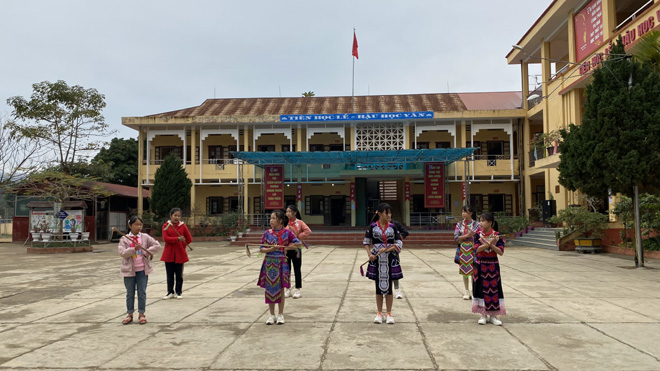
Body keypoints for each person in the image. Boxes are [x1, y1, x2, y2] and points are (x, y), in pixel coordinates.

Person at [257, 210, 301, 325]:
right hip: (269, 263)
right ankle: (271, 315)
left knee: (281, 289)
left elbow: (298, 243)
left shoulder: (287, 233)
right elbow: (261, 249)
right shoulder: (267, 233)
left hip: (281, 263)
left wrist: (289, 247)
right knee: (270, 289)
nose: (271, 220)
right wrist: (271, 249)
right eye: (270, 218)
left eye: (273, 218)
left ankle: (281, 314)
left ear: (280, 221)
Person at [364, 203, 403, 324]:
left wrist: (387, 249)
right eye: (387, 213)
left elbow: (399, 243)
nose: (389, 215)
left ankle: (389, 313)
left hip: (390, 259)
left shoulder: (393, 227)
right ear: (380, 213)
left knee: (390, 285)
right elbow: (366, 242)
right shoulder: (372, 227)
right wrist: (369, 254)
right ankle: (379, 313)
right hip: (377, 259)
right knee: (378, 285)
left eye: (390, 212)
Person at [118, 216, 161, 325]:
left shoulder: (145, 237)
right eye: (136, 224)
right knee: (130, 293)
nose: (138, 227)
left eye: (140, 224)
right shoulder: (125, 238)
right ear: (130, 225)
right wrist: (133, 249)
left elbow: (157, 245)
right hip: (129, 270)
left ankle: (141, 314)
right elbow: (122, 253)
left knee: (142, 292)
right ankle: (130, 314)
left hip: (142, 269)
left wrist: (146, 252)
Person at [472, 212, 506, 325]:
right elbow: (476, 250)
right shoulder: (478, 235)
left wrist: (491, 244)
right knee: (481, 288)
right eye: (480, 220)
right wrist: (489, 243)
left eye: (483, 221)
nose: (480, 223)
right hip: (480, 265)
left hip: (492, 265)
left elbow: (500, 252)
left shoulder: (497, 235)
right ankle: (483, 315)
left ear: (490, 222)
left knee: (494, 289)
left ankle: (493, 316)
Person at [160, 208, 192, 299]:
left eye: (178, 216)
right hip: (169, 253)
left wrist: (183, 245)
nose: (177, 217)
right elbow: (165, 238)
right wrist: (177, 239)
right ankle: (170, 292)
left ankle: (179, 292)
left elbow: (189, 238)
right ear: (171, 216)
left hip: (180, 253)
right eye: (175, 215)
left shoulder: (183, 226)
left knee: (179, 274)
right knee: (169, 274)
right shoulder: (166, 225)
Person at [284, 204, 312, 299]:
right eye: (286, 212)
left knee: (297, 269)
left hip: (296, 249)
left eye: (289, 211)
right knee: (286, 270)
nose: (287, 213)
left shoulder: (299, 223)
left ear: (294, 213)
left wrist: (298, 237)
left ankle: (297, 289)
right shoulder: (285, 223)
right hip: (287, 249)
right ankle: (287, 289)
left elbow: (308, 231)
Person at [454, 205, 480, 300]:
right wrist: (468, 235)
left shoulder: (477, 224)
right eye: (462, 212)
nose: (463, 214)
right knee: (464, 270)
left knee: (474, 271)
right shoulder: (459, 224)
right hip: (463, 248)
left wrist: (475, 235)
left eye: (465, 212)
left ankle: (474, 291)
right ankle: (466, 291)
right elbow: (456, 238)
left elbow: (480, 236)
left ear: (471, 213)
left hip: (473, 248)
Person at [390, 219, 409, 299]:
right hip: (383, 250)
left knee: (394, 271)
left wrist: (398, 238)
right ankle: (385, 290)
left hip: (394, 250)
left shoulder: (395, 224)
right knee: (384, 272)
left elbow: (405, 232)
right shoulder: (378, 225)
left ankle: (397, 290)